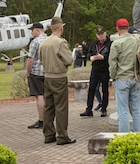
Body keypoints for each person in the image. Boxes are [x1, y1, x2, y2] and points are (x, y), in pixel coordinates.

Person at [39, 16, 75, 145]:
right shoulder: (60, 42)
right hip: (59, 77)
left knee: (48, 107)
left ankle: (48, 134)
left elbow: (41, 60)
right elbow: (69, 60)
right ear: (61, 28)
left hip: (47, 76)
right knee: (61, 107)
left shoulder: (43, 42)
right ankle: (62, 136)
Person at [109, 18, 140, 133]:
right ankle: (137, 135)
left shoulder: (116, 43)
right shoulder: (138, 41)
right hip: (136, 78)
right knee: (136, 109)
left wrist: (113, 77)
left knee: (122, 111)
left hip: (122, 79)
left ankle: (124, 137)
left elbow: (113, 63)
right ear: (128, 28)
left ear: (117, 28)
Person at [80, 27, 112, 117]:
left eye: (102, 34)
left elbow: (112, 55)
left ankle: (104, 109)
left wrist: (103, 57)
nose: (100, 36)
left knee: (105, 89)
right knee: (91, 88)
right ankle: (89, 109)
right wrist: (90, 57)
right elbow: (89, 53)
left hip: (105, 69)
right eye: (99, 34)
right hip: (95, 69)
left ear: (105, 33)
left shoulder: (110, 43)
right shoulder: (94, 43)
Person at [25, 22, 47, 129]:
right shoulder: (49, 40)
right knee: (48, 96)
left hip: (37, 72)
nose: (31, 32)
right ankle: (49, 118)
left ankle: (41, 120)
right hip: (49, 71)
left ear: (37, 30)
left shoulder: (35, 42)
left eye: (32, 30)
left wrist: (28, 72)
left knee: (40, 96)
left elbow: (30, 59)